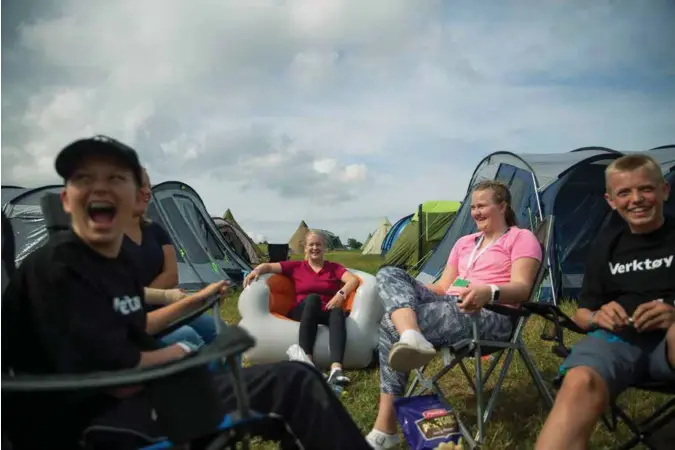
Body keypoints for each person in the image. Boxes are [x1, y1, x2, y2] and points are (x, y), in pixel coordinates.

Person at [1, 135, 373, 450]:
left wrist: (189, 307)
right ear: (66, 200)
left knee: (293, 378)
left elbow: (129, 331)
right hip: (95, 423)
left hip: (135, 396)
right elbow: (106, 373)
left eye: (116, 181)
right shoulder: (60, 269)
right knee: (294, 385)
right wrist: (179, 355)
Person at [365, 180, 542, 449]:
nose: (475, 212)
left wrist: (488, 292)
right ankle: (411, 334)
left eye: (482, 206)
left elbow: (522, 288)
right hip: (450, 305)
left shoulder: (521, 238)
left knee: (390, 323)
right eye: (472, 207)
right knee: (389, 273)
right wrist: (407, 292)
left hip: (490, 314)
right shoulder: (464, 242)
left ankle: (386, 426)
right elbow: (442, 287)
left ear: (502, 206)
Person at [535, 154, 675, 450]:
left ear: (664, 190)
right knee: (579, 381)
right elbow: (583, 313)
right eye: (624, 193)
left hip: (670, 345)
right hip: (621, 340)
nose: (636, 199)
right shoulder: (606, 245)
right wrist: (599, 317)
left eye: (645, 189)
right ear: (611, 201)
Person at [123, 167, 224, 348]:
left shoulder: (156, 230)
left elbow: (172, 275)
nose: (147, 192)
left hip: (163, 306)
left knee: (220, 331)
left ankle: (229, 376)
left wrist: (152, 297)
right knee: (189, 338)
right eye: (140, 187)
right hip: (132, 319)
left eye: (148, 187)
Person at [244, 231, 360, 386]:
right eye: (311, 245)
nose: (315, 248)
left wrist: (341, 294)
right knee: (313, 298)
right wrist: (257, 270)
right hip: (303, 310)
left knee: (338, 311)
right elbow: (269, 266)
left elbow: (352, 280)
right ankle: (307, 363)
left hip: (326, 309)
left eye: (318, 244)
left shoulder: (333, 268)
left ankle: (336, 369)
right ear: (305, 248)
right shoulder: (297, 267)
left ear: (324, 247)